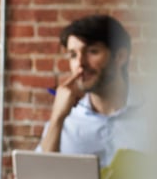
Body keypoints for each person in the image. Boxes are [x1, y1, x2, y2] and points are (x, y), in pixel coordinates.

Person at [38, 14, 144, 164]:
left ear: (120, 57)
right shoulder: (64, 121)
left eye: (92, 51)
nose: (80, 64)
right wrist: (57, 118)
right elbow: (41, 178)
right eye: (73, 55)